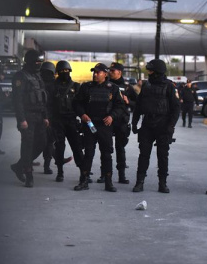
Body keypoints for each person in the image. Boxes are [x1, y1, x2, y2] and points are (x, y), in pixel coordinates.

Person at [72, 63, 125, 192]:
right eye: (94, 72)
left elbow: (120, 106)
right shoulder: (86, 87)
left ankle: (108, 182)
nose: (95, 74)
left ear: (105, 74)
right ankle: (83, 181)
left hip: (105, 125)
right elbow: (76, 103)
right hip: (90, 124)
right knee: (88, 153)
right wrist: (82, 114)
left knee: (106, 154)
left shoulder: (113, 88)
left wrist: (112, 116)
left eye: (98, 72)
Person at [131, 59, 180, 193]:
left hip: (163, 124)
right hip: (147, 124)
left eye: (151, 70)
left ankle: (162, 183)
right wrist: (134, 123)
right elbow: (138, 106)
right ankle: (139, 182)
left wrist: (171, 125)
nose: (149, 73)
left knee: (162, 156)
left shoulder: (169, 86)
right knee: (143, 155)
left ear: (158, 71)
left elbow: (176, 108)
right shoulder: (146, 85)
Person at [10, 50, 49, 188]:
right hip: (27, 117)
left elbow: (42, 97)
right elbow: (17, 100)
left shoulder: (37, 76)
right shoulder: (21, 76)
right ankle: (29, 175)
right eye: (37, 62)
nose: (39, 65)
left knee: (42, 143)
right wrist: (21, 119)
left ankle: (19, 166)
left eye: (40, 62)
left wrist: (45, 116)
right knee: (27, 145)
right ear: (30, 62)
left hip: (39, 116)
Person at [47, 60, 85, 183]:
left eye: (67, 70)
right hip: (58, 121)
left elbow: (81, 104)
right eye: (62, 71)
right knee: (59, 147)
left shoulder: (76, 86)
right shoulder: (52, 87)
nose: (65, 72)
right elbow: (49, 105)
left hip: (72, 121)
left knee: (77, 147)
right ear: (58, 72)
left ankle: (83, 173)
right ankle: (60, 172)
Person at [96, 62, 131, 184]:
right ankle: (104, 175)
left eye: (113, 71)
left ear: (119, 72)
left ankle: (121, 175)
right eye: (109, 71)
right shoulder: (105, 84)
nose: (110, 72)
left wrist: (129, 101)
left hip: (121, 122)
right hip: (107, 120)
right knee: (105, 149)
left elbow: (138, 104)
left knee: (120, 148)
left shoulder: (127, 87)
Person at [40, 61, 57, 174]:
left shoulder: (54, 84)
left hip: (49, 116)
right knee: (45, 142)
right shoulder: (38, 83)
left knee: (49, 141)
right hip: (40, 115)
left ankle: (47, 164)